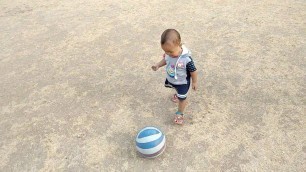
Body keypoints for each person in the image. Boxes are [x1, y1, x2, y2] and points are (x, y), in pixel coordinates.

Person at [152, 29, 198, 125]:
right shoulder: (169, 53)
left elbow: (193, 71)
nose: (168, 54)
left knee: (182, 98)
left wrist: (194, 82)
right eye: (165, 51)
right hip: (172, 79)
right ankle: (178, 95)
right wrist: (158, 65)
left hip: (182, 83)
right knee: (176, 90)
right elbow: (165, 60)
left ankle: (180, 113)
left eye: (170, 51)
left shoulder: (186, 59)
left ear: (179, 44)